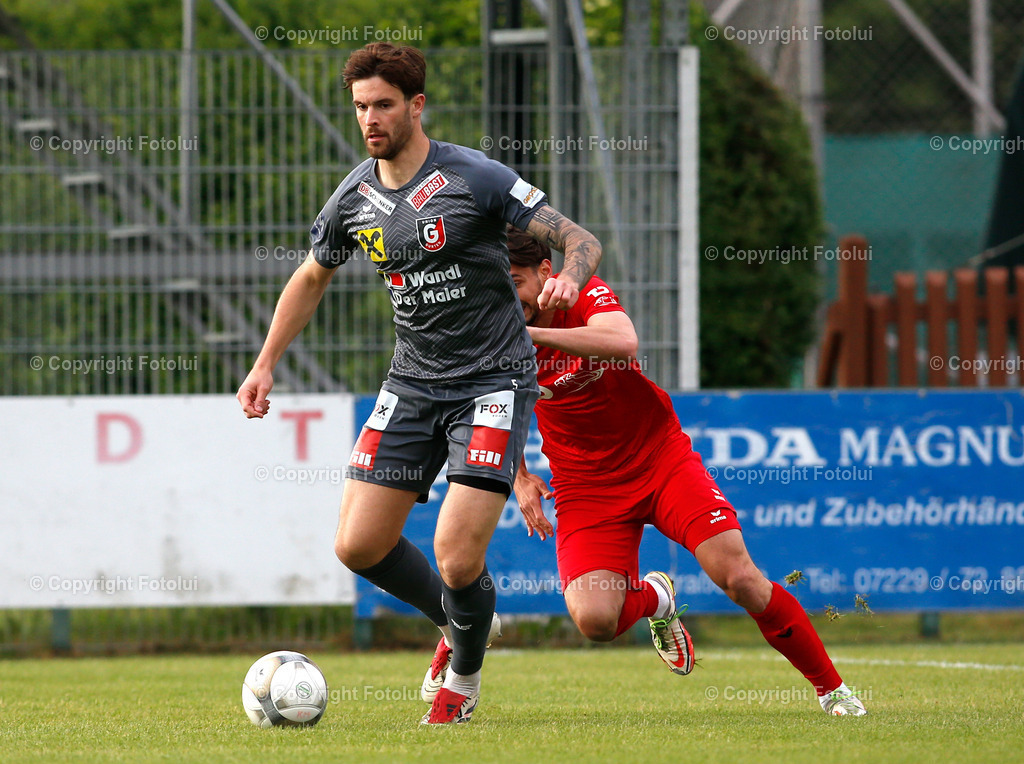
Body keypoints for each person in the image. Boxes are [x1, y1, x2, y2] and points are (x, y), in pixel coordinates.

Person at [236, 43, 602, 725]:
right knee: (358, 546)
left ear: (415, 106)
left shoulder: (476, 177)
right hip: (412, 382)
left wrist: (570, 277)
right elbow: (312, 276)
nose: (369, 119)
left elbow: (580, 237)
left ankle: (462, 678)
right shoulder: (355, 197)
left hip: (493, 378)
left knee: (456, 555)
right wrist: (264, 363)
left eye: (382, 105)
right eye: (360, 107)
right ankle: (461, 624)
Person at [494, 228, 865, 716]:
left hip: (659, 459)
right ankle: (657, 599)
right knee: (595, 621)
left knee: (739, 579)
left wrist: (532, 335)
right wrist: (519, 477)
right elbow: (496, 403)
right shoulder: (495, 323)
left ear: (546, 272)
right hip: (587, 486)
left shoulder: (579, 291)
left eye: (515, 281)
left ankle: (832, 690)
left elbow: (624, 342)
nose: (507, 298)